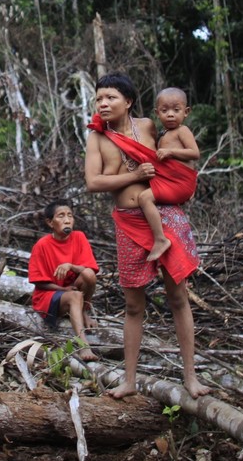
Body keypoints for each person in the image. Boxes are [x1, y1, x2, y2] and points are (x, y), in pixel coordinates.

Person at [84, 71, 209, 400]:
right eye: (98, 99)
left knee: (178, 297)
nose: (103, 103)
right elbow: (93, 183)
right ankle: (128, 380)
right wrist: (134, 175)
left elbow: (177, 158)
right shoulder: (97, 138)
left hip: (164, 215)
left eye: (110, 97)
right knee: (133, 305)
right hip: (127, 222)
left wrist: (180, 186)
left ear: (128, 102)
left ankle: (191, 378)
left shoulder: (150, 127)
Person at [134, 87, 201, 263]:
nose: (170, 114)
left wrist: (170, 152)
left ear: (186, 112)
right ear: (157, 113)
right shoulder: (163, 134)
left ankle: (160, 239)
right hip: (172, 182)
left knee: (144, 198)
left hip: (180, 183)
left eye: (176, 110)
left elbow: (195, 153)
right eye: (165, 111)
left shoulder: (182, 131)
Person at [27, 200, 100, 362]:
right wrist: (64, 290)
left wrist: (71, 266)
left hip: (74, 290)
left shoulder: (79, 237)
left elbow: (90, 270)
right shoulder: (42, 245)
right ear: (50, 222)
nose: (67, 220)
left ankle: (83, 311)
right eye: (61, 216)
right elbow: (38, 282)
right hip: (49, 295)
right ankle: (83, 346)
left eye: (70, 216)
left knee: (88, 274)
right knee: (75, 296)